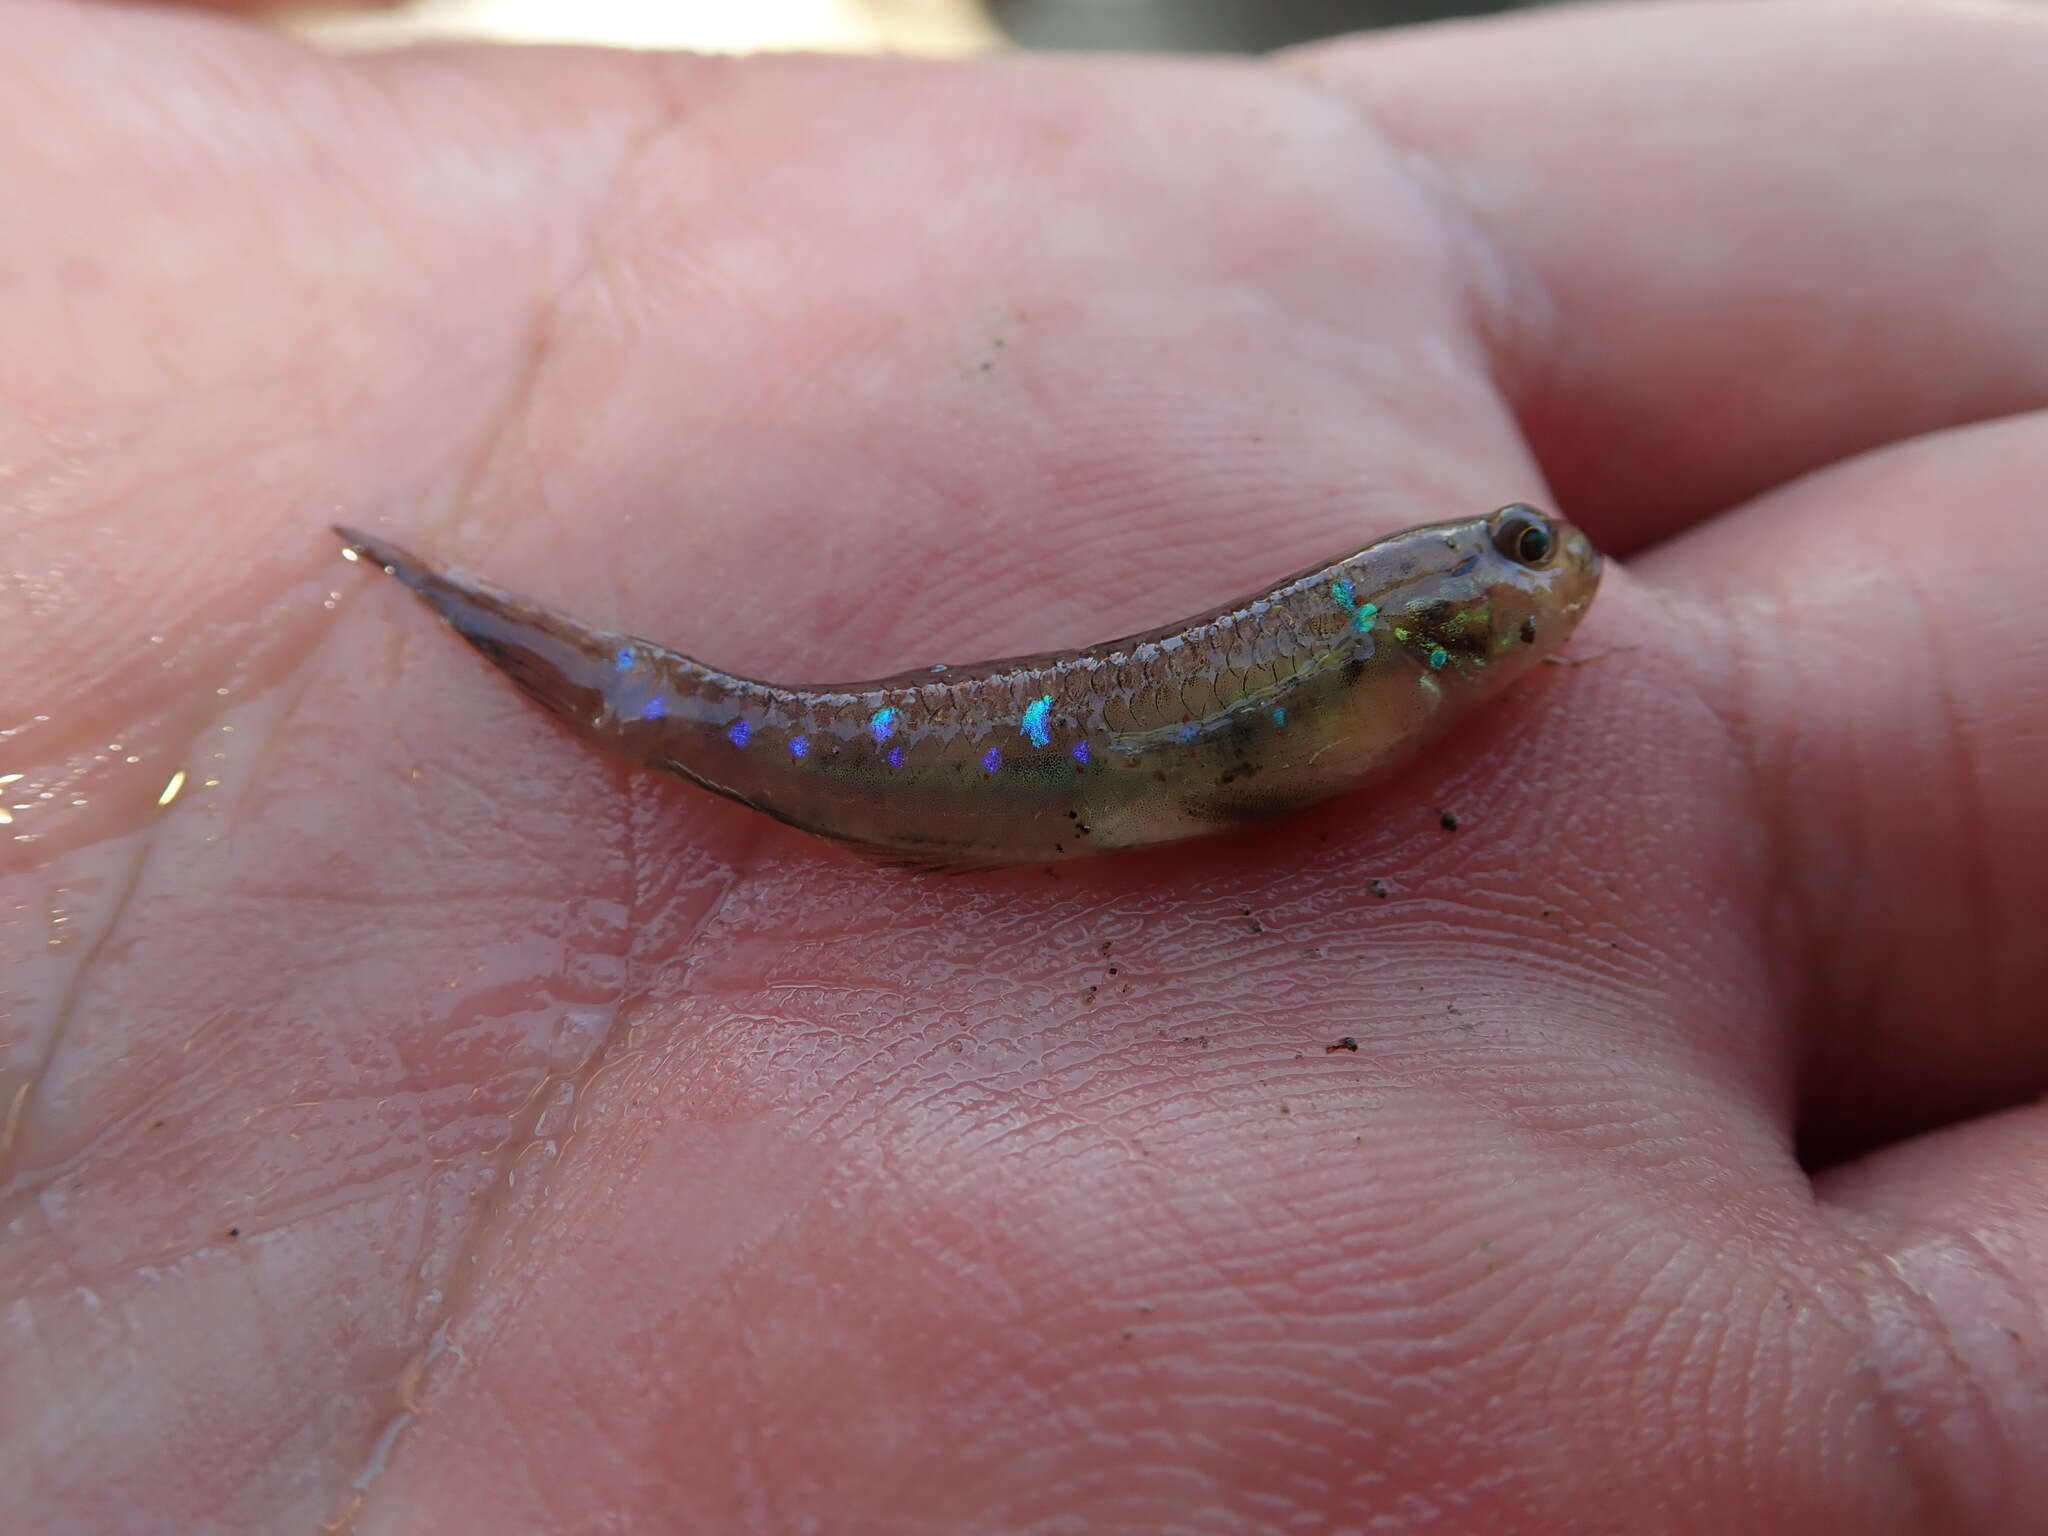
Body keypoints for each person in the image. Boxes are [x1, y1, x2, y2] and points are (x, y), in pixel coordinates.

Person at [3, 0, 2042, 1528]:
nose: (1549, 590)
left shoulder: (1409, 647)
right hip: (975, 767)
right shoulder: (1407, 639)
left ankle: (510, 638)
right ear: (1445, 627)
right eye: (1519, 578)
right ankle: (506, 641)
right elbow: (1251, 754)